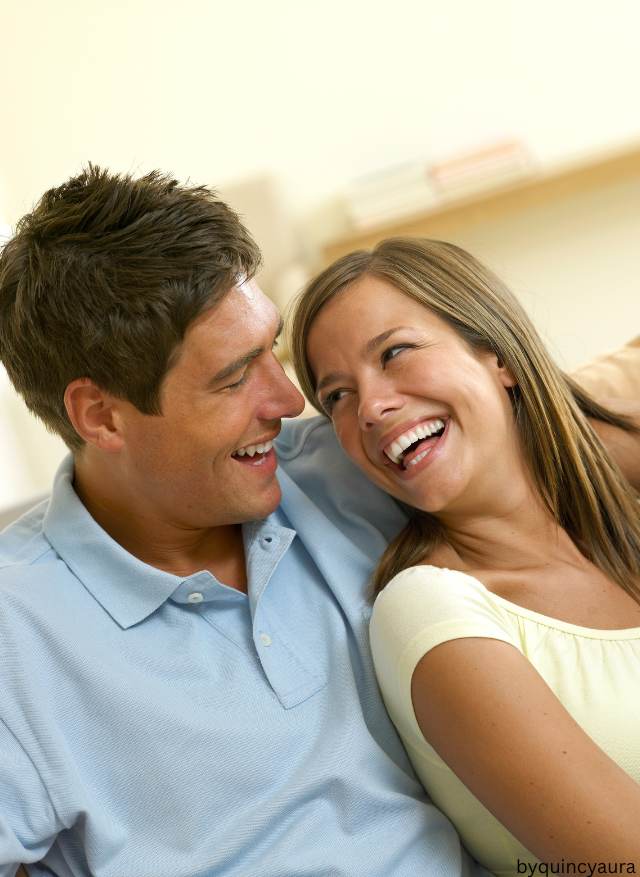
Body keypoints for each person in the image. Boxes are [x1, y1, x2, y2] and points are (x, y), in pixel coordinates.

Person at [0, 172, 636, 877]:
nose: (290, 398)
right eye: (236, 375)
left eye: (271, 348)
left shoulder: (349, 462)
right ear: (100, 415)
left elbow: (553, 425)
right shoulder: (17, 632)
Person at [289, 236, 640, 874]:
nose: (370, 408)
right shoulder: (428, 609)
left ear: (497, 355)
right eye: (336, 395)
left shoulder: (623, 526)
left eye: (394, 353)